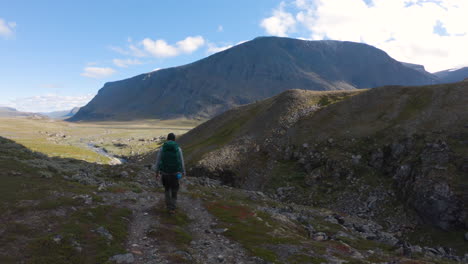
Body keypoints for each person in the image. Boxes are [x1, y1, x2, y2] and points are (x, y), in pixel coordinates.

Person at [154, 133, 186, 214]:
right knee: (174, 190)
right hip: (175, 173)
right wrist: (183, 172)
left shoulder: (162, 148)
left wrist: (157, 172)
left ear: (167, 139)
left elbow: (158, 161)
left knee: (167, 189)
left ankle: (168, 207)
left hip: (164, 173)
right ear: (174, 139)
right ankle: (173, 208)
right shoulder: (178, 149)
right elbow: (181, 161)